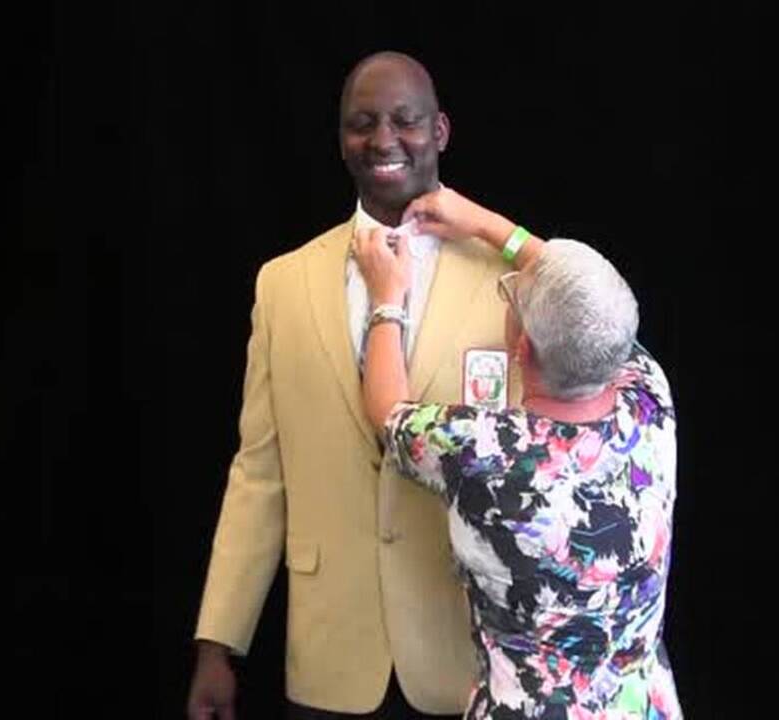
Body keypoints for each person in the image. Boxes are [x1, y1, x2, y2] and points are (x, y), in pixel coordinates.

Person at [187, 52, 521, 719]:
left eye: (405, 120)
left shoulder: (507, 281)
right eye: (362, 123)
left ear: (442, 132)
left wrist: (504, 238)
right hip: (330, 658)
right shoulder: (282, 285)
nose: (384, 139)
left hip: (466, 655)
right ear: (341, 141)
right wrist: (217, 645)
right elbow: (259, 473)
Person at [354, 187, 683, 719]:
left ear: (521, 347)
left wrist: (386, 297)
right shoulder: (649, 403)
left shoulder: (482, 450)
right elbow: (584, 306)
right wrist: (486, 225)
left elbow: (388, 412)